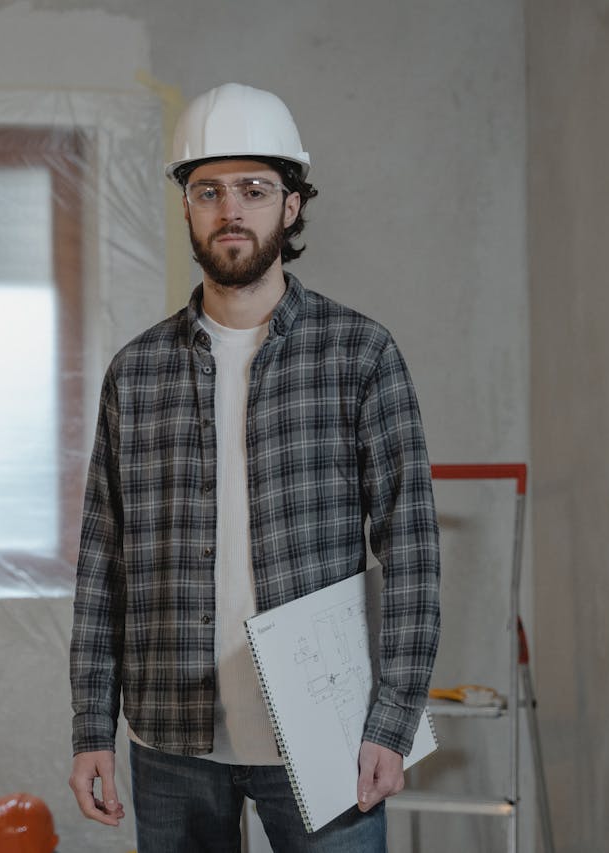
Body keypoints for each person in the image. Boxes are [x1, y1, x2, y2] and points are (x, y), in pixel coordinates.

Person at [68, 82, 440, 852]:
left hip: (326, 735)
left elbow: (412, 551)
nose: (230, 208)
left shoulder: (359, 354)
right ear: (186, 208)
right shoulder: (135, 374)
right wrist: (89, 727)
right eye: (208, 190)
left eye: (254, 188)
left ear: (292, 205)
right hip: (172, 742)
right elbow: (104, 564)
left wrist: (393, 720)